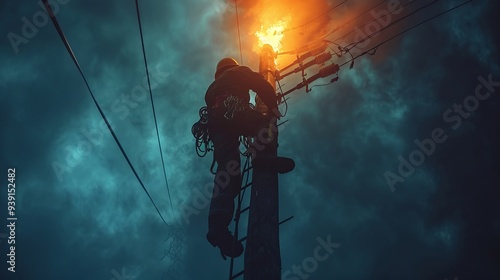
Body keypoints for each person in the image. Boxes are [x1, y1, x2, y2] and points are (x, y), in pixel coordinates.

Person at [204, 57, 295, 258]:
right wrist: (271, 105)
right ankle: (263, 157)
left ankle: (217, 225)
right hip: (233, 109)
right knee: (265, 123)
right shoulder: (238, 72)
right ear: (232, 66)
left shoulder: (211, 88)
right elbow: (260, 83)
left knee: (227, 172)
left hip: (217, 127)